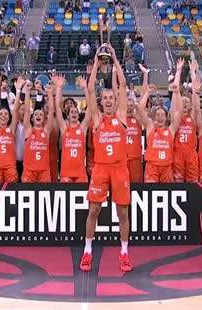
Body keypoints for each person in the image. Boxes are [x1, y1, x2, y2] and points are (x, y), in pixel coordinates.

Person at [80, 45, 132, 272]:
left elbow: (123, 85)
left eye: (112, 97)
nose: (109, 100)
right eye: (106, 98)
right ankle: (87, 251)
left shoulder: (121, 116)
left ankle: (124, 253)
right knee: (93, 210)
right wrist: (95, 62)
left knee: (122, 213)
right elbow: (90, 90)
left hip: (120, 168)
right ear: (102, 101)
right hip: (101, 169)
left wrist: (115, 58)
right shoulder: (97, 119)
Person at [139, 58, 183, 183]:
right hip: (152, 167)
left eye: (162, 115)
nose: (159, 117)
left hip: (166, 168)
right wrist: (147, 92)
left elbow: (177, 110)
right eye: (157, 115)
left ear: (166, 117)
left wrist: (178, 73)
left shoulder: (171, 130)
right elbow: (141, 108)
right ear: (154, 117)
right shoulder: (150, 127)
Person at [52, 74, 92, 183]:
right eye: (71, 112)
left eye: (76, 111)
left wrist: (85, 88)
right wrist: (59, 88)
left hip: (80, 173)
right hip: (66, 173)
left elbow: (90, 109)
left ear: (78, 115)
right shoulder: (64, 128)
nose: (74, 113)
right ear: (68, 115)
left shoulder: (82, 128)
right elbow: (58, 109)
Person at [0, 75, 23, 183]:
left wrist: (18, 90)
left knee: (11, 198)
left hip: (10, 169)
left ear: (8, 117)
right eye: (1, 114)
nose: (3, 115)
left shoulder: (11, 129)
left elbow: (15, 111)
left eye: (6, 114)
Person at [21, 81, 55, 183]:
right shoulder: (28, 130)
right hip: (29, 171)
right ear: (32, 118)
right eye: (36, 114)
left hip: (44, 171)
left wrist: (49, 92)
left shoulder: (46, 130)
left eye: (40, 114)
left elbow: (51, 111)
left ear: (44, 118)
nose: (38, 116)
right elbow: (27, 111)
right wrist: (27, 91)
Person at [173, 60, 200, 182]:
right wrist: (178, 71)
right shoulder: (175, 116)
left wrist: (193, 73)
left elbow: (195, 95)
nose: (184, 103)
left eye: (186, 102)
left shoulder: (193, 116)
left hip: (191, 154)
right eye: (182, 101)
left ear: (190, 106)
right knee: (178, 183)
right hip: (178, 153)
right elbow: (175, 91)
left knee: (193, 183)